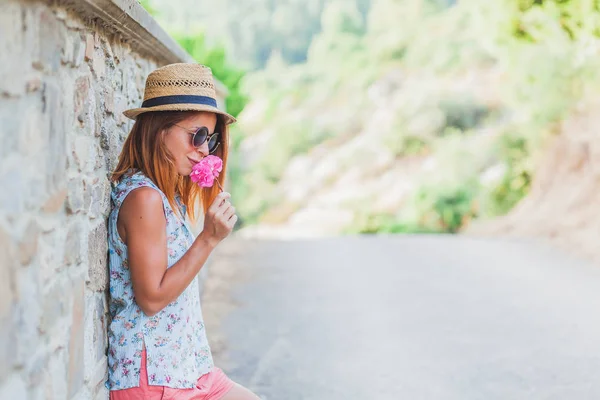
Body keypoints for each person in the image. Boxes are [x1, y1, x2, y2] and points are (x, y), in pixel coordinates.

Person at [106, 63, 260, 400]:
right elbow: (151, 298)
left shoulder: (166, 194)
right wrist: (208, 239)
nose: (205, 149)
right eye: (198, 135)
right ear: (160, 129)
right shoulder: (144, 198)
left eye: (211, 138)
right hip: (156, 379)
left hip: (188, 369)